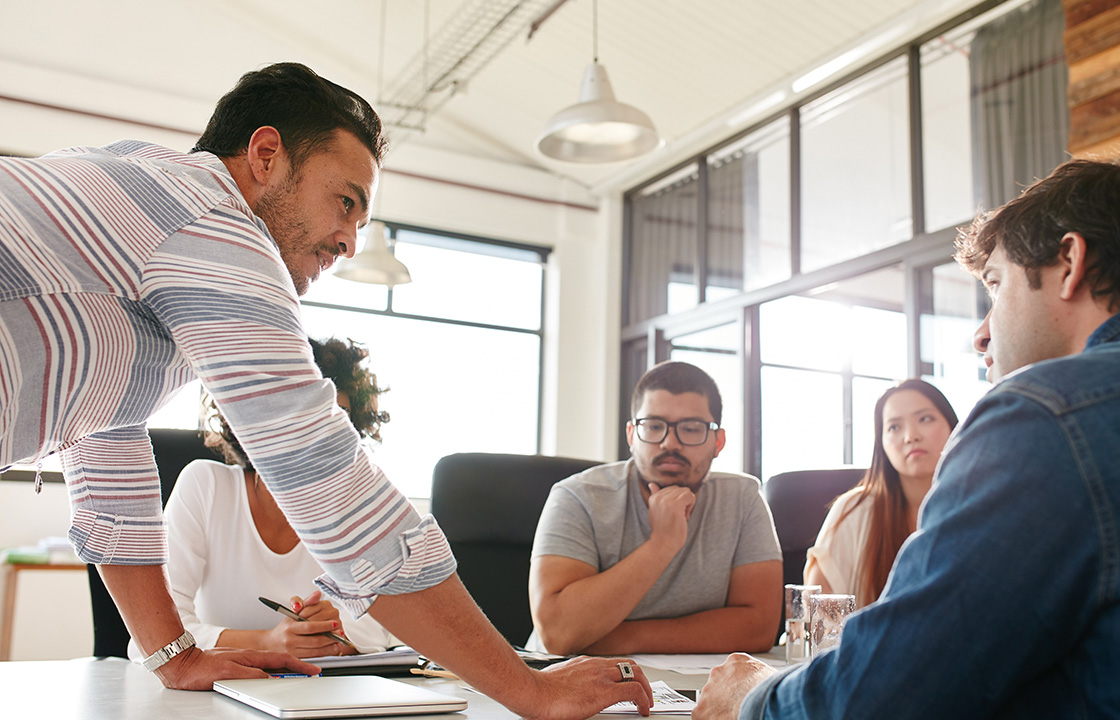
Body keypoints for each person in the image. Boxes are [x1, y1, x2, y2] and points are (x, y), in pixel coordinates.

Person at [0, 62, 653, 718]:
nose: (348, 241)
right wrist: (530, 690)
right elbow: (331, 487)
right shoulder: (215, 223)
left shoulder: (151, 213)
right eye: (345, 202)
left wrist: (176, 655)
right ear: (265, 156)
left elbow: (106, 449)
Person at [693, 155, 1120, 719]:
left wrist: (751, 697)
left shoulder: (1041, 414)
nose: (981, 333)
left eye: (995, 285)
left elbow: (882, 696)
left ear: (1070, 262)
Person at [126, 337, 398, 662]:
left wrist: (336, 631)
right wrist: (268, 642)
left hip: (312, 696)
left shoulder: (355, 508)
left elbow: (384, 629)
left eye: (338, 419)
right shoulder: (205, 486)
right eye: (306, 414)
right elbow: (153, 638)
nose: (324, 433)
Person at [529, 361, 783, 655]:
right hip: (569, 685)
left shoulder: (743, 498)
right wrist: (662, 544)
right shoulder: (577, 496)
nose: (669, 443)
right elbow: (558, 633)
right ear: (631, 436)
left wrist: (626, 639)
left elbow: (758, 627)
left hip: (695, 687)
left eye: (691, 428)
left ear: (718, 441)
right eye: (653, 426)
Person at [803, 379, 958, 603]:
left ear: (954, 428)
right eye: (894, 427)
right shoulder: (854, 510)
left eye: (925, 419)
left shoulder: (979, 504)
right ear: (881, 443)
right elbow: (821, 622)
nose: (911, 436)